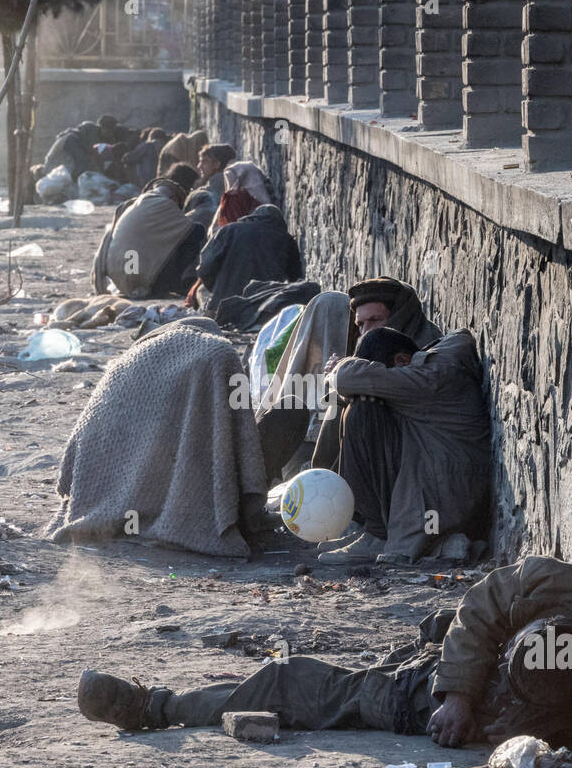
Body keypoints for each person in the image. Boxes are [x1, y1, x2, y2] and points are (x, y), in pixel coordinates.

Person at [76, 555, 572, 752]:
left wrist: (509, 734)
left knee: (290, 682)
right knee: (422, 639)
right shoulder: (565, 590)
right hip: (448, 684)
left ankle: (154, 708)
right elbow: (479, 608)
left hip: (418, 703)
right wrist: (463, 693)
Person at [45, 316, 268, 558]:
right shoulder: (218, 353)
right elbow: (239, 438)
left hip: (96, 504)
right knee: (288, 410)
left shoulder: (127, 360)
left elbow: (68, 470)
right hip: (175, 497)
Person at [318, 326, 490, 565]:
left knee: (363, 407)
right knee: (361, 405)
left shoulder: (429, 376)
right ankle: (376, 530)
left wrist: (337, 368)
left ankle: (386, 535)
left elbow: (349, 378)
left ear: (401, 360)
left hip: (445, 505)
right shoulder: (426, 370)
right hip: (440, 488)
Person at [254, 277, 441, 481]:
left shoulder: (425, 350)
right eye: (360, 325)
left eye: (375, 320)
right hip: (354, 468)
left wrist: (342, 374)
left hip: (401, 472)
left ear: (399, 316)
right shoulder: (367, 352)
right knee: (289, 411)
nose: (366, 332)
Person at [90, 179, 204, 299]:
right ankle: (176, 285)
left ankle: (140, 283)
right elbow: (188, 230)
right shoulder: (165, 204)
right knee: (196, 231)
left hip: (122, 277)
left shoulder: (132, 205)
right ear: (175, 198)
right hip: (135, 273)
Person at [192, 204, 303, 320]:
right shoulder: (286, 239)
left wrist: (217, 288)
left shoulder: (229, 230)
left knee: (201, 291)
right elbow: (295, 278)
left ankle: (211, 313)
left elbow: (205, 266)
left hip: (223, 306)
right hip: (262, 309)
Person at [183, 143, 236, 229]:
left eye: (204, 161)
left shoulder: (201, 194)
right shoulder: (239, 189)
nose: (199, 166)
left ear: (216, 164)